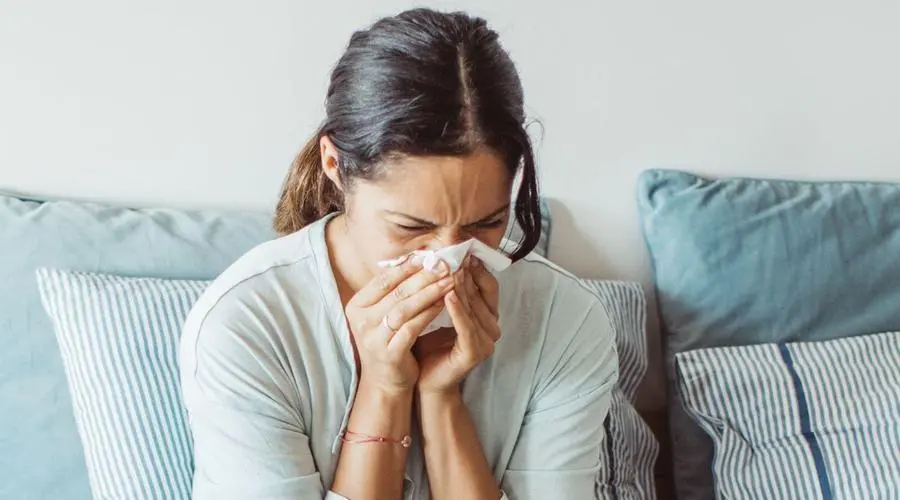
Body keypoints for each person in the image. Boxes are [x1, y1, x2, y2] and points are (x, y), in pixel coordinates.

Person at [179, 8, 617, 500]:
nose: (449, 257)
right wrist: (383, 389)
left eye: (485, 223)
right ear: (334, 166)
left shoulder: (566, 319)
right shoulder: (248, 324)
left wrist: (440, 397)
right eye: (412, 226)